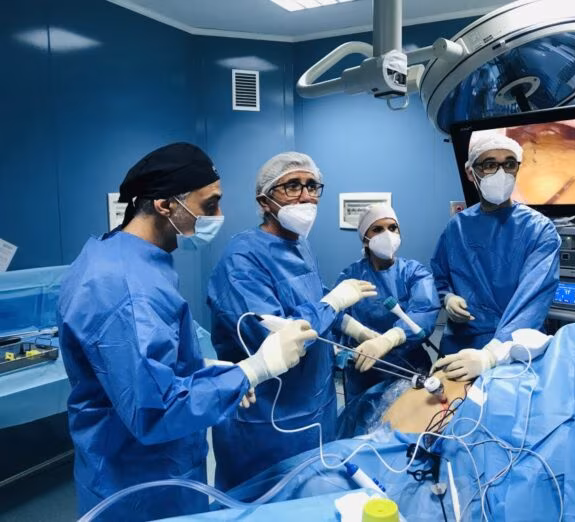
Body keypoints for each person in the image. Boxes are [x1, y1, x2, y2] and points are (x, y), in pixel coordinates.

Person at [57, 143, 315, 521]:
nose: (219, 216)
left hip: (143, 464)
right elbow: (156, 410)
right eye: (209, 205)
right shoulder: (128, 287)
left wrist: (208, 372)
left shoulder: (123, 256)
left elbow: (135, 364)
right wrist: (254, 369)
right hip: (139, 485)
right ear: (165, 205)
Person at [207, 151, 377, 491]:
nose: (306, 196)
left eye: (312, 186)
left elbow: (310, 297)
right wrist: (332, 303)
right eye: (292, 186)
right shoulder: (242, 258)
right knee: (264, 500)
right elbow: (277, 338)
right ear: (264, 200)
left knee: (314, 492)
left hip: (314, 401)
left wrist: (355, 328)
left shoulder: (300, 245)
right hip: (268, 416)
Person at [430, 131, 561, 380]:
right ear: (471, 173)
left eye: (509, 164)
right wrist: (448, 298)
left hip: (515, 348)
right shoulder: (457, 227)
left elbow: (531, 301)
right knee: (448, 404)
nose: (501, 173)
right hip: (461, 343)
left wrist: (491, 355)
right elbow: (440, 276)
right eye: (490, 164)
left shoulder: (539, 230)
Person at [335, 204, 440, 402]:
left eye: (392, 228)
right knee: (362, 419)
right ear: (365, 239)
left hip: (409, 369)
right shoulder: (351, 276)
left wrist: (388, 339)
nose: (387, 234)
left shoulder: (414, 272)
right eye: (377, 229)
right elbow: (335, 315)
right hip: (364, 372)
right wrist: (356, 336)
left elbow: (424, 311)